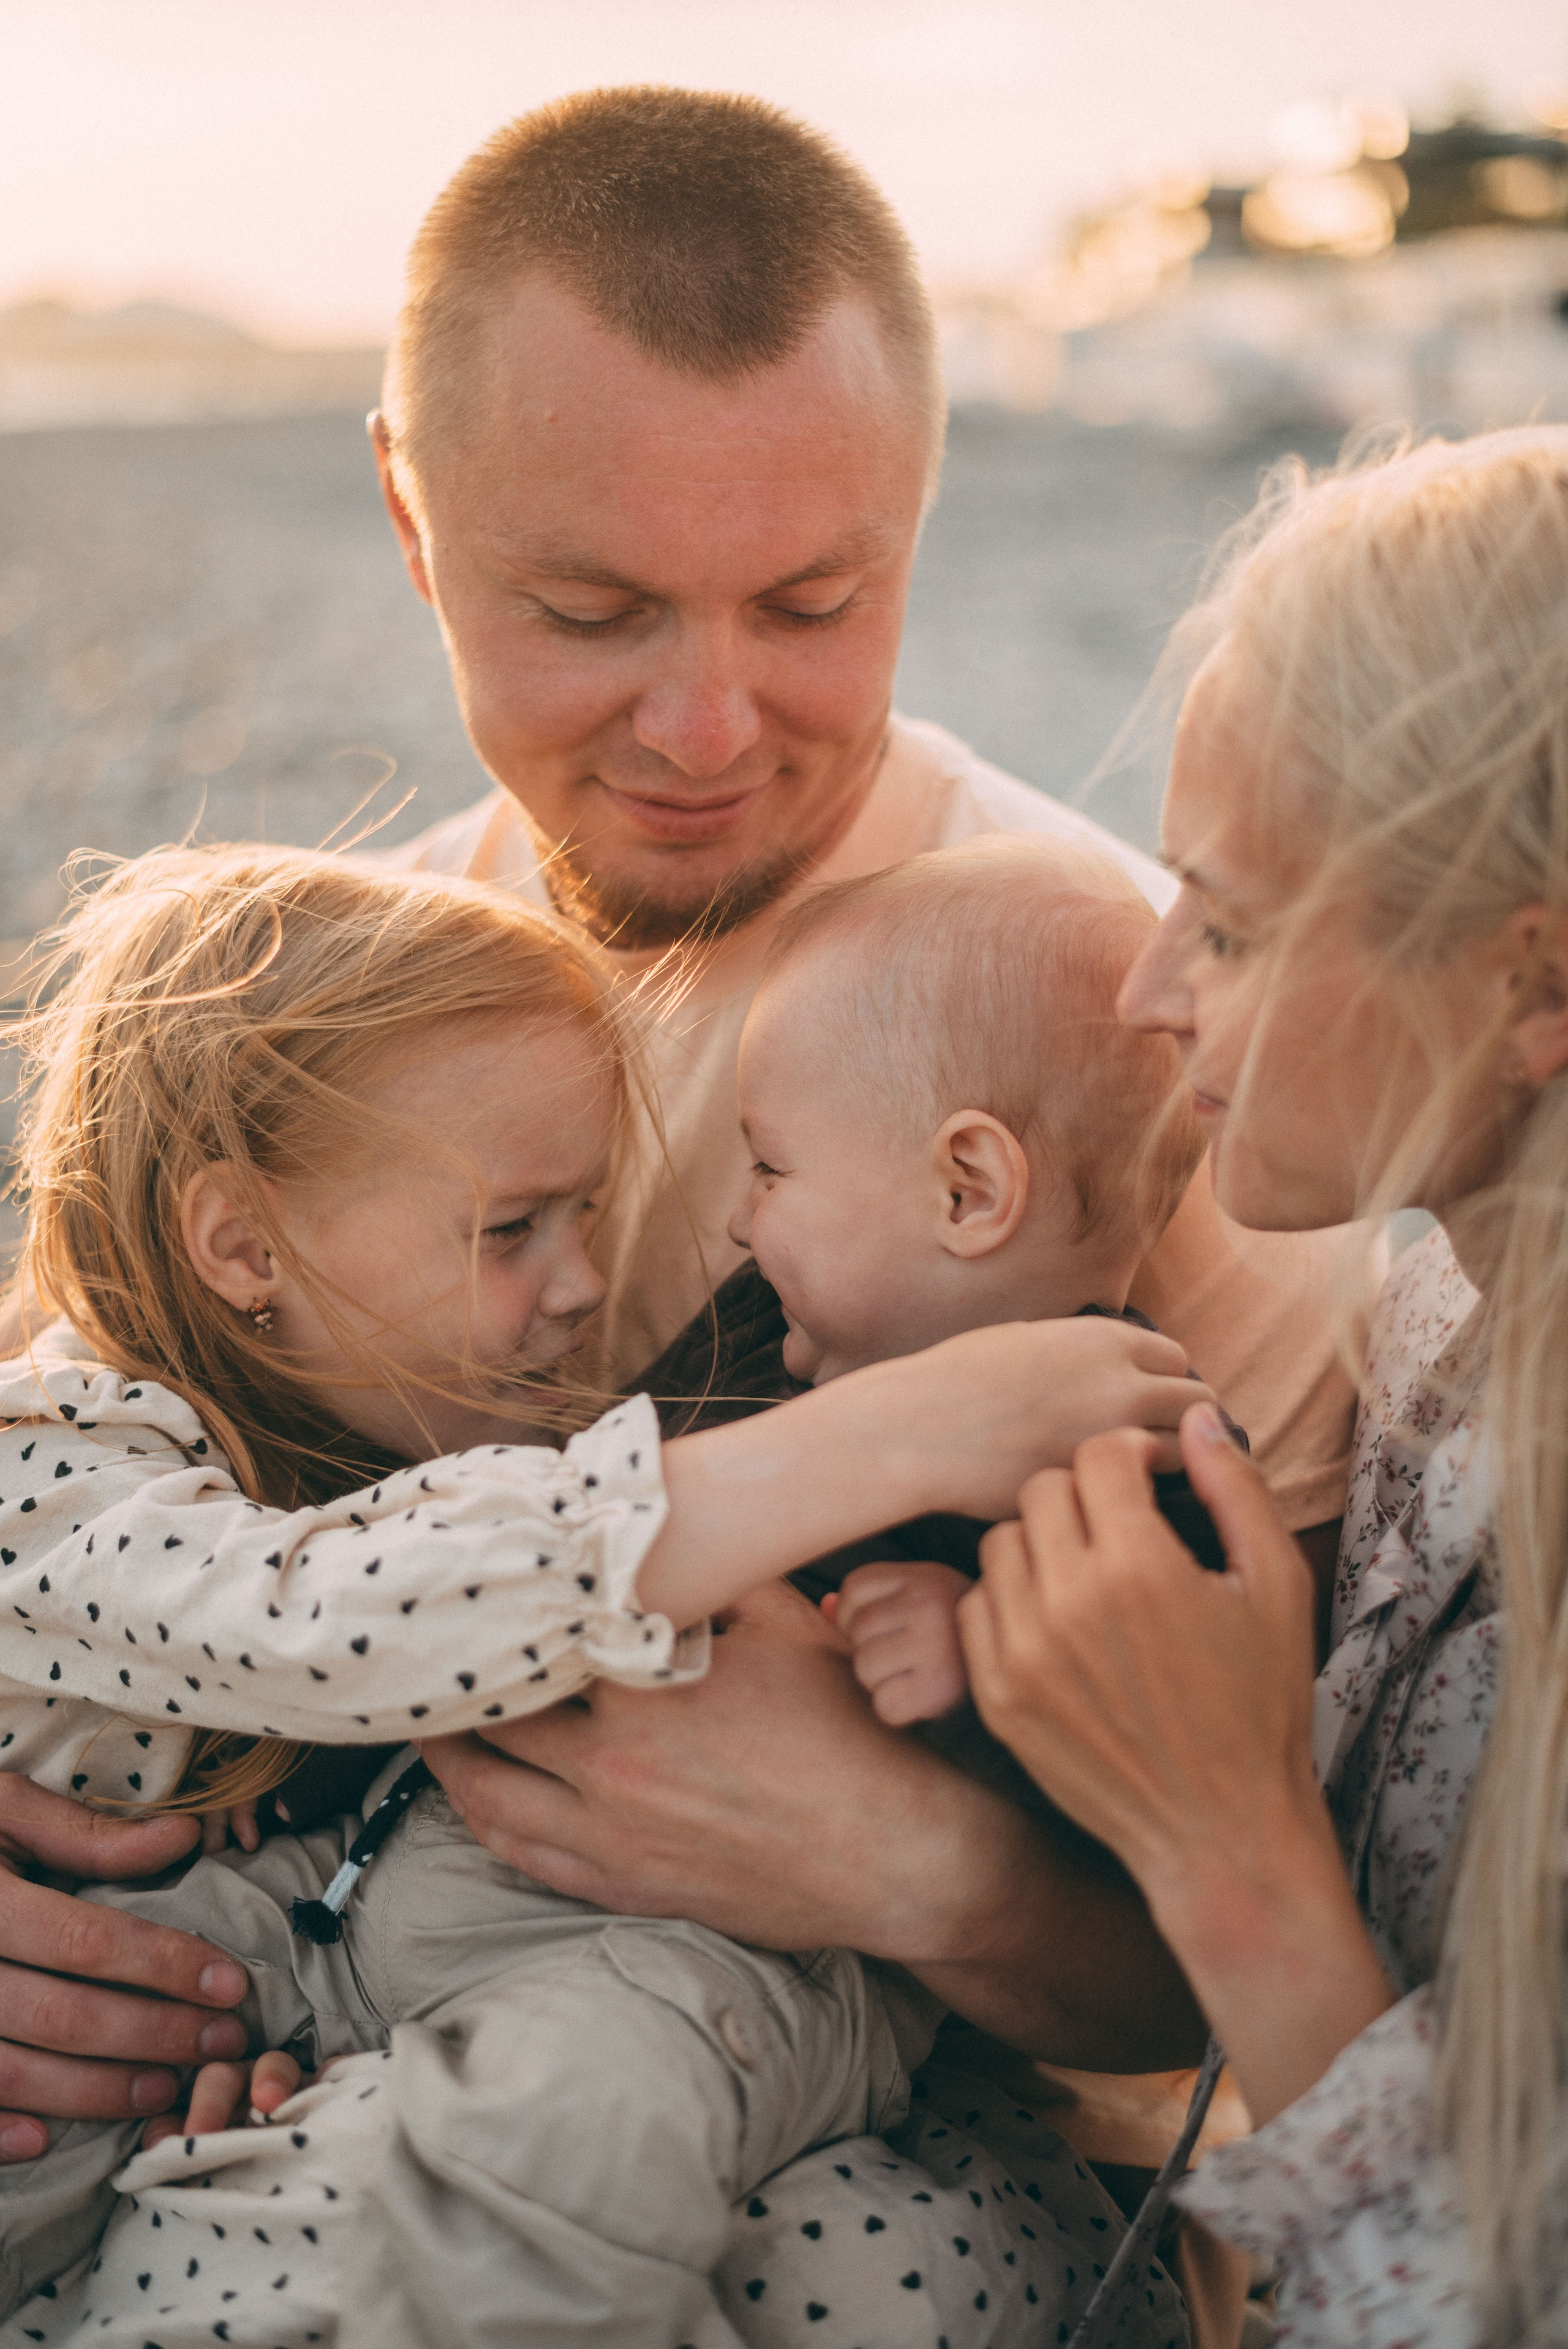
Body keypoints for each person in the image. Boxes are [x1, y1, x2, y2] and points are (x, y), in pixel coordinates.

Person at [0, 89, 1343, 2287]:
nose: (709, 725)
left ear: (914, 519)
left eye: (814, 600)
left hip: (898, 2143)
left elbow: (1306, 1985)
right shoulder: (334, 1018)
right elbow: (65, 1494)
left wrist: (910, 1863)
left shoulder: (1131, 1063)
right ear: (414, 523)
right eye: (594, 606)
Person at [0, 840, 1211, 2346]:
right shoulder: (59, 1457)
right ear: (242, 1244)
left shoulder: (1118, 1430)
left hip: (630, 1982)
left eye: (587, 1216)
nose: (588, 1285)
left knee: (618, 2147)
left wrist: (953, 1659)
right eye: (515, 1229)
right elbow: (327, 1614)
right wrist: (889, 1436)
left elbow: (1174, 1819)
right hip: (263, 1974)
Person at [951, 424, 1568, 2342]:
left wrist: (1229, 1845)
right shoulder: (1430, 1318)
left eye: (1226, 918)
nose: (1149, 991)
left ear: (1534, 983)